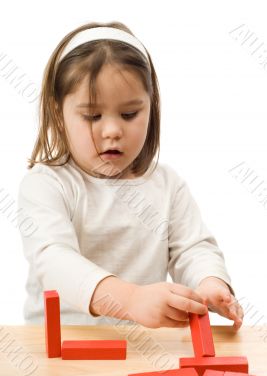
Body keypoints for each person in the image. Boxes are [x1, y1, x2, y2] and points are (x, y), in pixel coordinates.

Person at [17, 21, 244, 329]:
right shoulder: (46, 185)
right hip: (60, 351)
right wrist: (130, 299)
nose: (112, 131)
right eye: (92, 116)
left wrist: (210, 282)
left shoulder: (167, 185)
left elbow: (192, 248)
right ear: (59, 113)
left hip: (143, 351)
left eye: (129, 114)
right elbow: (54, 260)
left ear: (152, 108)